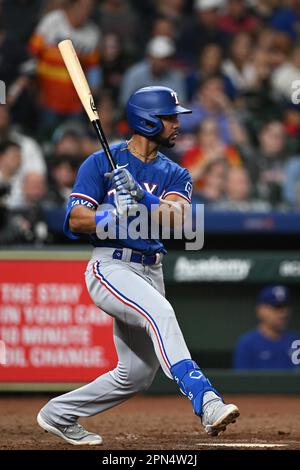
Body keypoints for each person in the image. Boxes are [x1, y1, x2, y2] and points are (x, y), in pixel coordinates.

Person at [36, 86, 239, 446]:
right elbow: (75, 220)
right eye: (170, 117)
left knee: (135, 375)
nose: (177, 124)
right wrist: (113, 214)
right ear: (147, 120)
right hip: (110, 266)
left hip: (150, 269)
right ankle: (205, 399)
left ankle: (58, 413)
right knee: (161, 313)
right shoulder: (100, 161)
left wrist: (143, 198)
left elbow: (178, 220)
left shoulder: (177, 173)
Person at [234, 285, 300, 370]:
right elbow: (242, 381)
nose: (283, 313)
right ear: (260, 310)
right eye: (276, 307)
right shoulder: (248, 344)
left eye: (285, 307)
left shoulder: (296, 341)